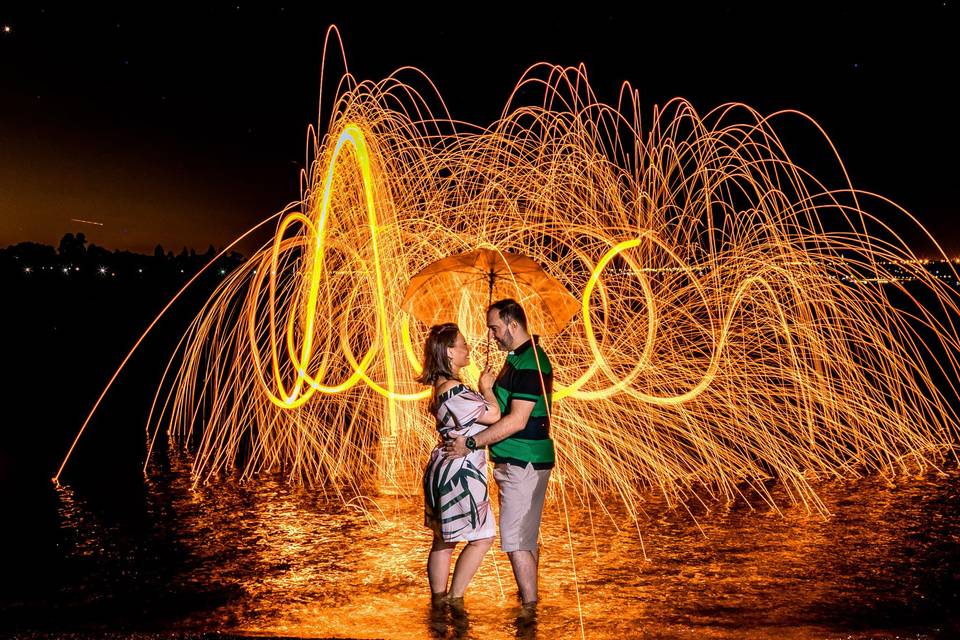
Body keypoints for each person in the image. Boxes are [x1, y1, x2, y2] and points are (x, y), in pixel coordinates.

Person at [445, 299, 555, 607]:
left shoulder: (531, 362)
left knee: (516, 539)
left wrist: (471, 442)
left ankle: (529, 612)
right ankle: (530, 601)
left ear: (513, 324)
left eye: (495, 328)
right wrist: (489, 388)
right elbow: (503, 409)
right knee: (525, 537)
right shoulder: (517, 360)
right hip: (521, 460)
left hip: (524, 461)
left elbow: (517, 419)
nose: (491, 336)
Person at [418, 322, 500, 606]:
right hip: (461, 473)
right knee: (483, 536)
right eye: (463, 344)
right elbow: (494, 415)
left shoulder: (439, 386)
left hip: (443, 467)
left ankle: (438, 602)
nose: (468, 348)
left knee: (444, 539)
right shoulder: (453, 388)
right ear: (449, 352)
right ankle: (455, 598)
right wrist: (486, 388)